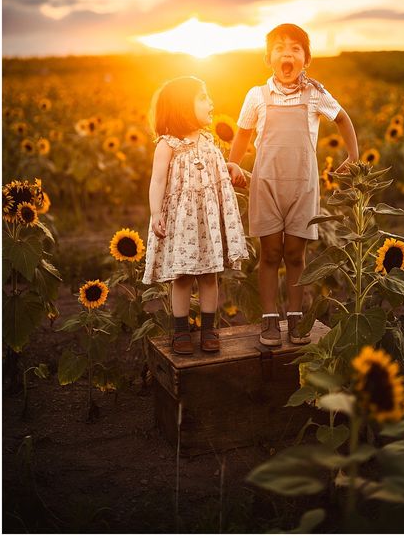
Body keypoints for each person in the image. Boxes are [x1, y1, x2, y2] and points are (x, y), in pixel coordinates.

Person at [228, 24, 358, 347]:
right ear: (268, 57)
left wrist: (353, 155)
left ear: (306, 59)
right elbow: (243, 133)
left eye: (296, 48)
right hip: (266, 184)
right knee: (270, 253)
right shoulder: (257, 96)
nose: (287, 53)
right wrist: (233, 163)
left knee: (296, 254)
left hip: (302, 186)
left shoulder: (315, 93)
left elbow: (342, 118)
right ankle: (270, 317)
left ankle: (297, 316)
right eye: (280, 47)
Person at [143, 76, 248, 355]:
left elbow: (212, 168)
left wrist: (230, 167)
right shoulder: (167, 145)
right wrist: (155, 212)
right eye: (203, 97)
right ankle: (180, 331)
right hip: (182, 221)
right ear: (181, 107)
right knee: (182, 276)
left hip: (208, 217)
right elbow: (157, 181)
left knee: (210, 274)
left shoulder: (207, 139)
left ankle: (209, 329)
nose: (210, 102)